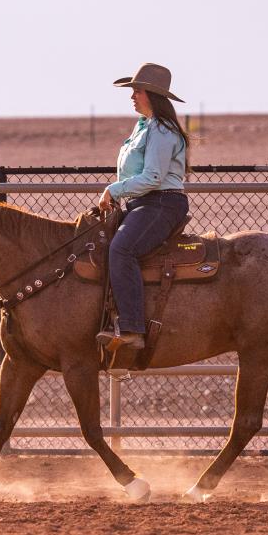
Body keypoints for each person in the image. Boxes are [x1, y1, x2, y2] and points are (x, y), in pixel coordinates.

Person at [95, 63, 190, 351]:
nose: (132, 96)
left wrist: (114, 190)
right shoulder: (144, 127)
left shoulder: (161, 130)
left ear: (151, 94)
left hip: (161, 202)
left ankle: (133, 329)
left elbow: (152, 177)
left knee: (122, 249)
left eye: (137, 91)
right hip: (144, 202)